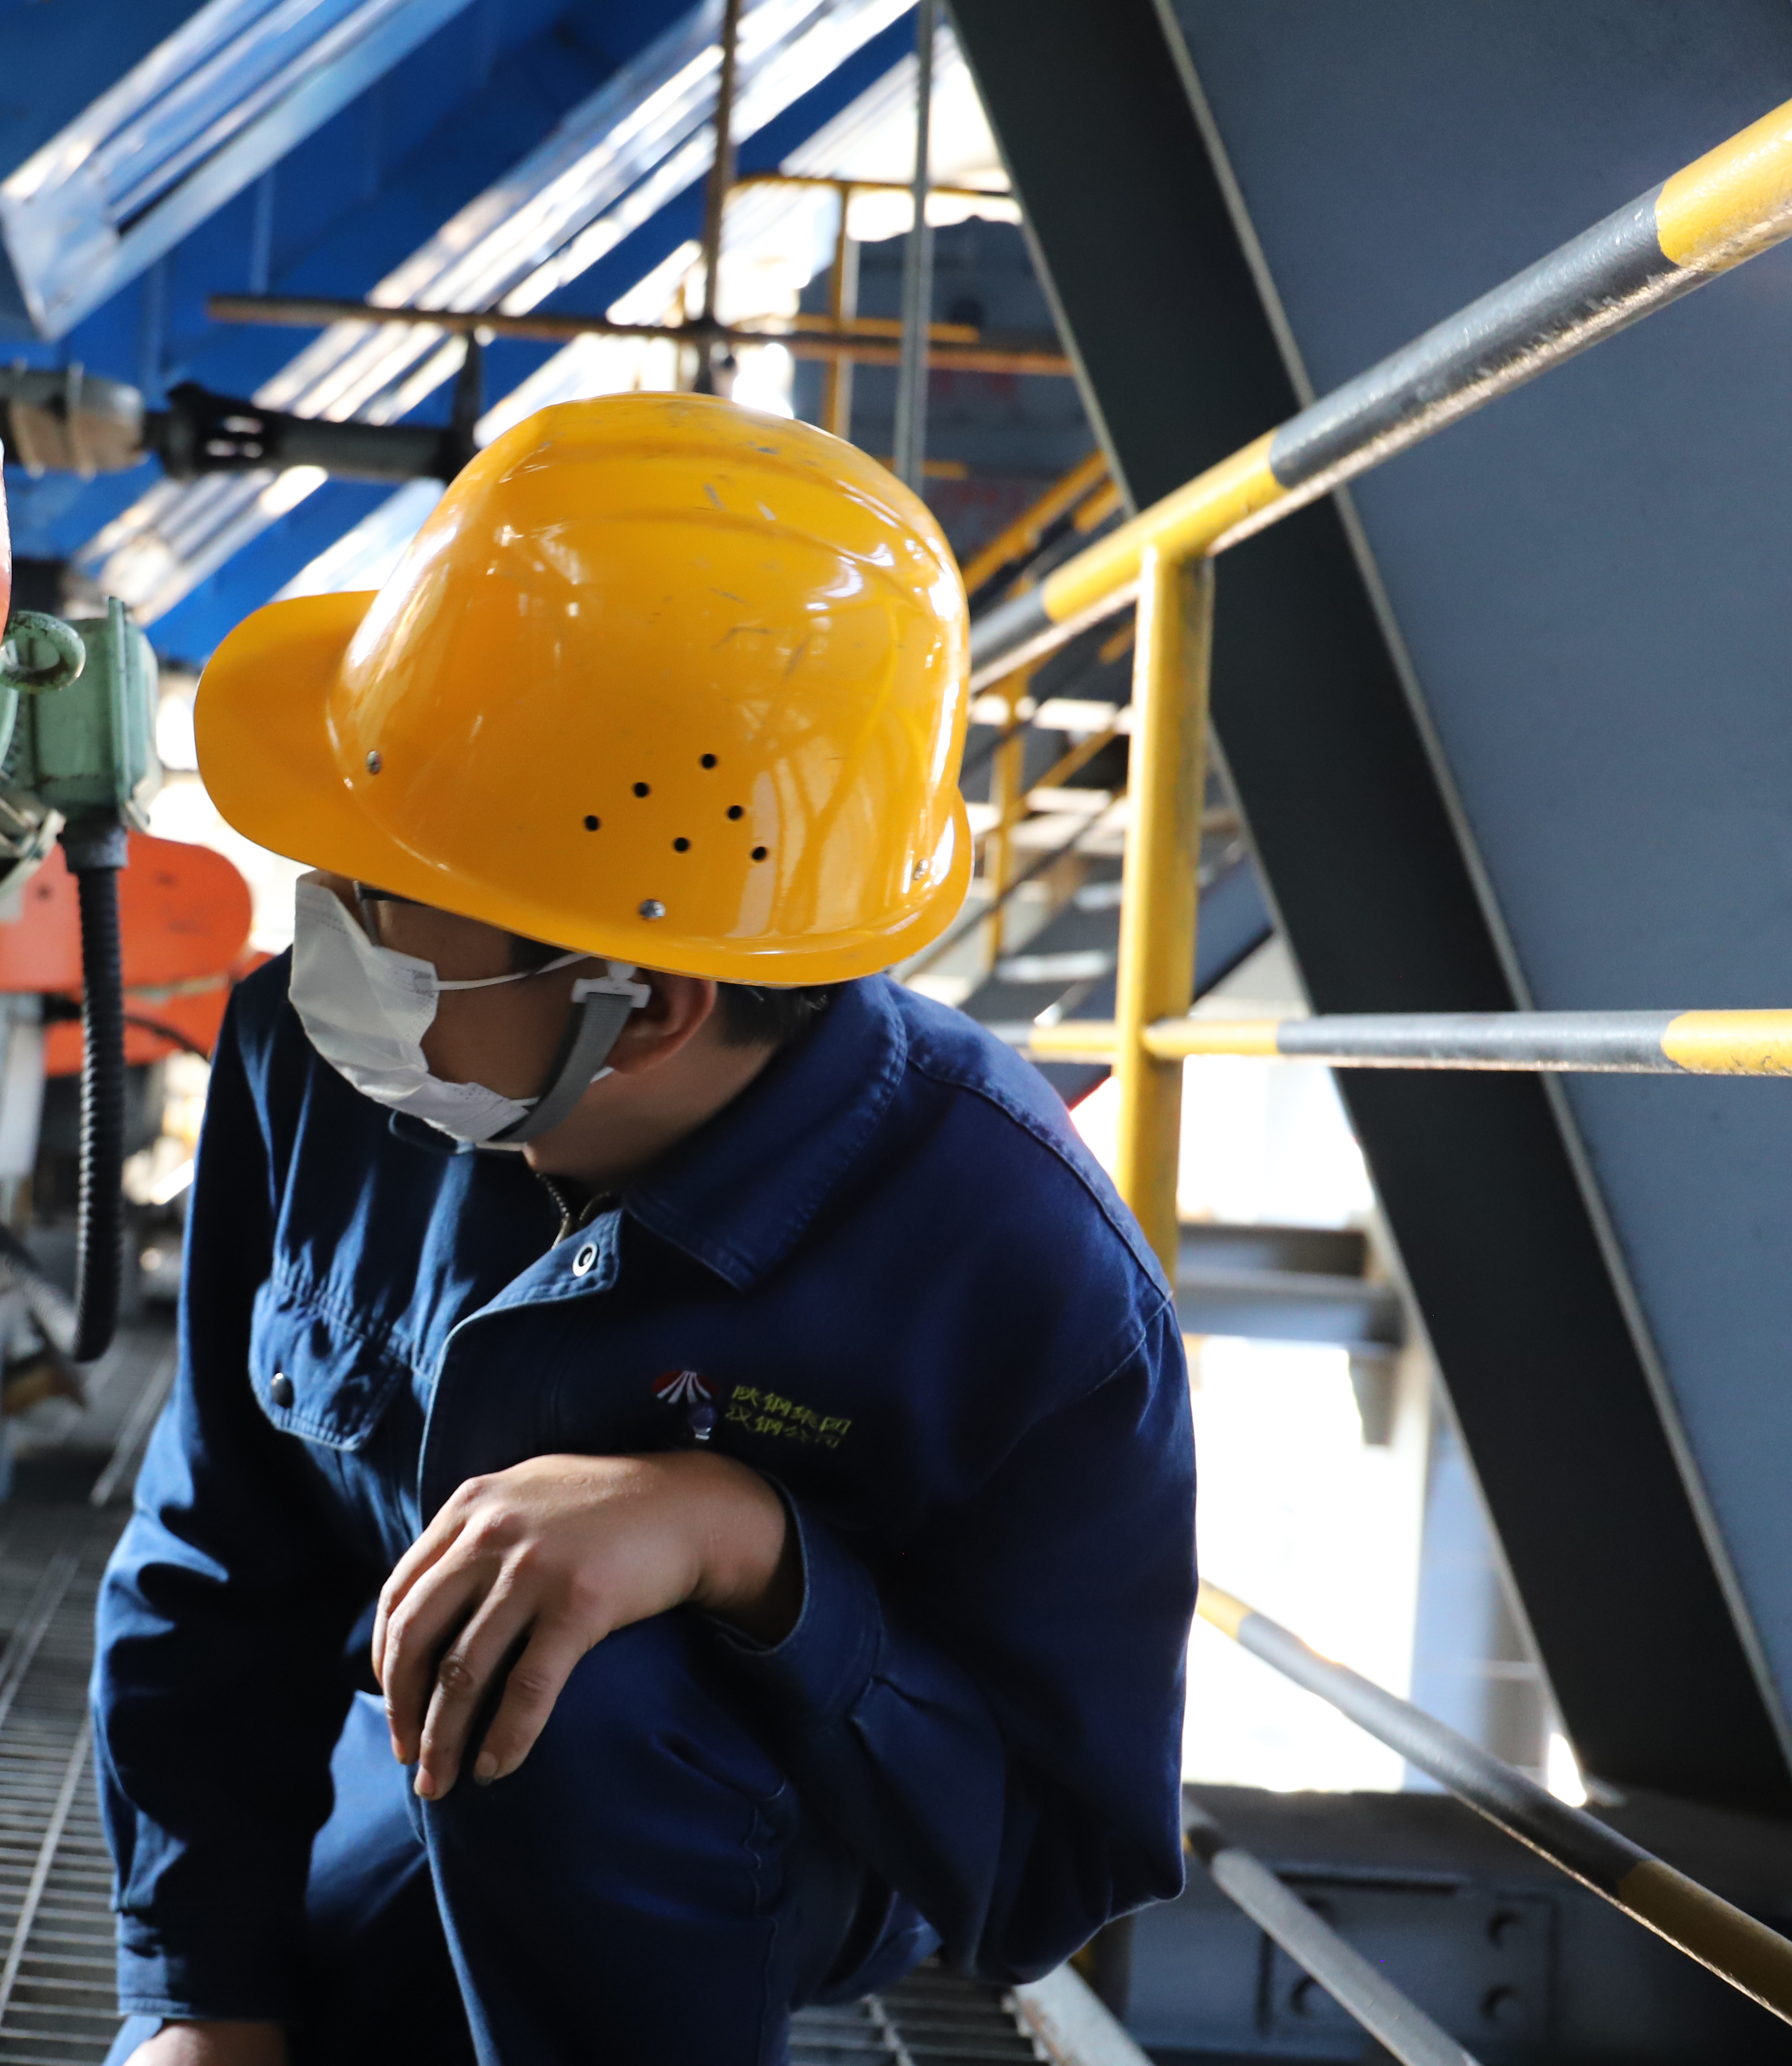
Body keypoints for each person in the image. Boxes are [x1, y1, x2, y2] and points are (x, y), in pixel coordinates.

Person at [91, 392, 1195, 2066]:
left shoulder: (1014, 1271)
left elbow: (1048, 1859)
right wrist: (200, 2000)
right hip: (430, 1747)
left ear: (642, 1005)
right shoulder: (312, 1068)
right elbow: (216, 1551)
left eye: (390, 903)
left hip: (766, 1818)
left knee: (575, 1688)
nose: (328, 937)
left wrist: (755, 1552)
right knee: (312, 2000)